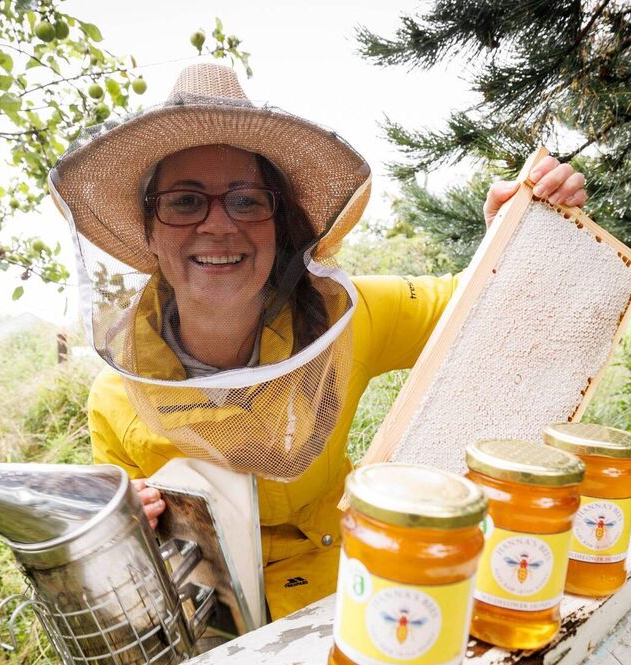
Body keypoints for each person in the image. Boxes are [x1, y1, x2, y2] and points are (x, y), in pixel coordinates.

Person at [49, 63, 586, 620]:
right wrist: (130, 517)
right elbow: (119, 540)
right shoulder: (115, 399)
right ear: (150, 232)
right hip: (208, 634)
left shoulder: (345, 317)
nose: (218, 225)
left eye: (246, 200)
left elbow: (484, 305)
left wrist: (515, 226)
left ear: (277, 222)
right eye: (184, 202)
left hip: (351, 602)